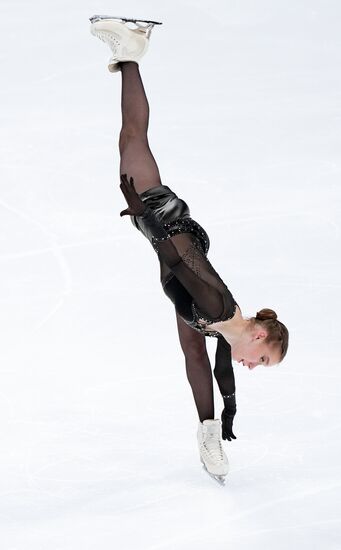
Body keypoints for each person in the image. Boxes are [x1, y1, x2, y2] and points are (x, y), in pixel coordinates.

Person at [90, 16, 289, 482]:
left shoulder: (224, 328)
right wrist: (145, 215)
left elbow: (214, 368)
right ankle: (131, 48)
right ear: (259, 336)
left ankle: (207, 436)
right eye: (262, 360)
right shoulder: (217, 309)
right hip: (167, 221)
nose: (252, 367)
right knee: (134, 138)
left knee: (129, 140)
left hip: (172, 232)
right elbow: (177, 262)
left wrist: (228, 413)